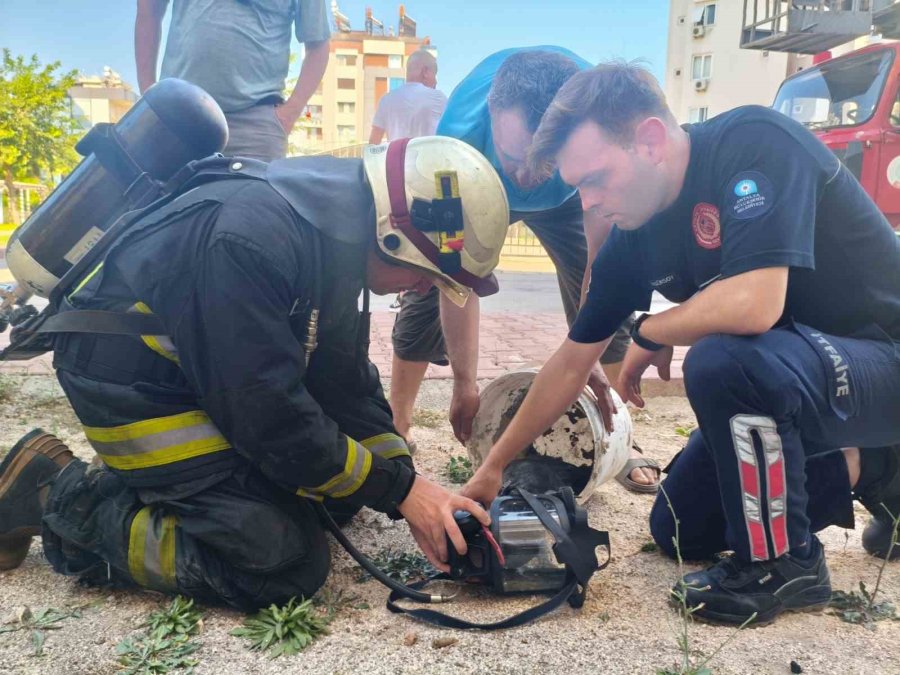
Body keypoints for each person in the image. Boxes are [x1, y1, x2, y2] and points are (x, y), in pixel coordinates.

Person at [461, 62, 900, 625]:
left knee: (724, 361)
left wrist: (651, 330)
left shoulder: (753, 142)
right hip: (801, 371)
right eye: (577, 189)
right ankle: (881, 470)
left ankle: (784, 563)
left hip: (881, 355)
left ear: (648, 141)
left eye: (594, 179)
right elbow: (571, 364)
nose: (587, 203)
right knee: (679, 527)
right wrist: (493, 468)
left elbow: (754, 303)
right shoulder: (631, 238)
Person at [0, 136, 510, 610]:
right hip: (131, 389)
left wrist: (405, 484)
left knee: (340, 496)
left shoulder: (328, 241)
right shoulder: (250, 239)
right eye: (426, 274)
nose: (423, 290)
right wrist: (400, 491)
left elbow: (344, 379)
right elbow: (266, 414)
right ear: (390, 237)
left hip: (198, 376)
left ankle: (180, 491)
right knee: (282, 561)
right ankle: (55, 494)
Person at [389, 48, 655, 491]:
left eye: (540, 159)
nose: (525, 175)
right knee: (428, 280)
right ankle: (397, 426)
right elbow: (456, 276)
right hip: (483, 184)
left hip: (569, 196)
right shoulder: (457, 144)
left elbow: (602, 268)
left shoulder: (597, 126)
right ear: (491, 116)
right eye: (514, 155)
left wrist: (585, 350)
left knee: (609, 303)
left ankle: (623, 436)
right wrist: (464, 382)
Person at [134, 0, 331, 161]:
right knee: (165, 208)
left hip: (255, 128)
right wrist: (148, 95)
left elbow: (318, 44)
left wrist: (288, 115)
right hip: (175, 119)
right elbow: (148, 10)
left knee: (254, 209)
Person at [368, 49, 447, 144]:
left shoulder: (386, 99)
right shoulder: (438, 98)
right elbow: (451, 136)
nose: (436, 81)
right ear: (425, 71)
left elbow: (373, 142)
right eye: (435, 75)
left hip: (397, 158)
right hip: (429, 158)